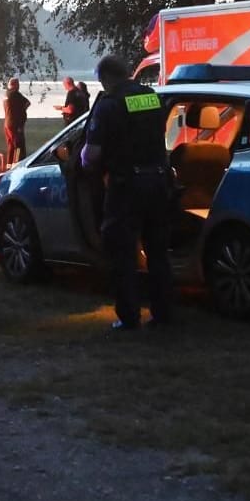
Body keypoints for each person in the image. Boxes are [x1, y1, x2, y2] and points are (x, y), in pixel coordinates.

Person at [80, 54, 176, 330]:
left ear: (107, 78)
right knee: (158, 252)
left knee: (122, 252)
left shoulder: (109, 105)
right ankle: (163, 313)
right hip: (158, 182)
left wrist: (86, 161)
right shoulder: (151, 97)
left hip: (127, 186)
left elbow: (92, 154)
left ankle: (128, 316)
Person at [2, 77, 31, 164]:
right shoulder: (15, 94)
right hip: (16, 124)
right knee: (18, 146)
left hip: (7, 123)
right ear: (16, 85)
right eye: (18, 84)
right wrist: (22, 110)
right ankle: (18, 163)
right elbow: (27, 103)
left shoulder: (6, 94)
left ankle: (9, 164)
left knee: (11, 146)